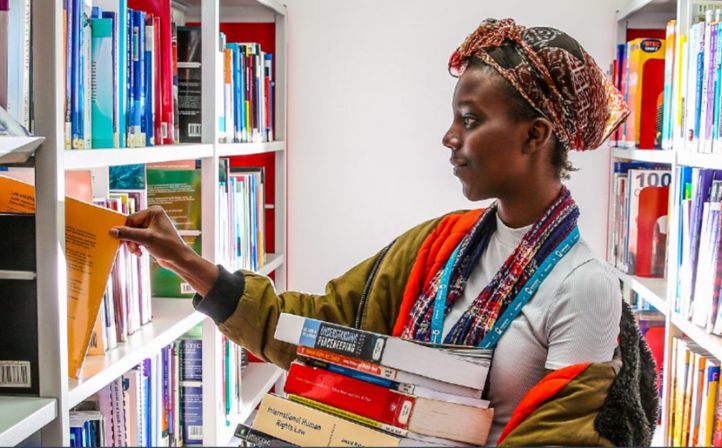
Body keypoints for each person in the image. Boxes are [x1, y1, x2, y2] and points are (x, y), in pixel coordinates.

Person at [111, 18, 658, 446]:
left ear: (535, 135)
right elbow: (318, 333)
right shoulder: (438, 244)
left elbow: (566, 439)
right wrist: (185, 260)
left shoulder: (583, 286)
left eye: (469, 119)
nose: (449, 137)